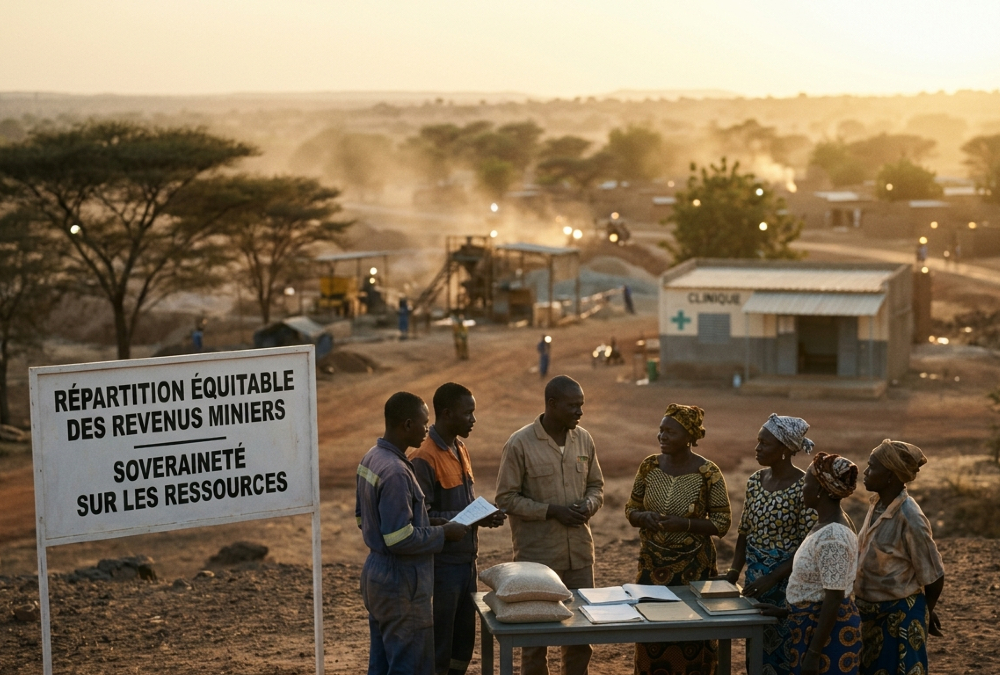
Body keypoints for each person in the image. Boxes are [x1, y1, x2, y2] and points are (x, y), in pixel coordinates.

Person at [495, 375, 605, 675]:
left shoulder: (584, 439)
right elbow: (505, 499)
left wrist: (589, 504)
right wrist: (551, 511)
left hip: (579, 557)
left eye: (581, 405)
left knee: (581, 635)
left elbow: (597, 486)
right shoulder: (520, 443)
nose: (580, 412)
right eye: (573, 406)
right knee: (535, 640)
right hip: (537, 560)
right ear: (552, 404)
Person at [356, 392, 469, 675]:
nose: (426, 430)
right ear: (406, 425)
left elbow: (363, 518)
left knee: (381, 664)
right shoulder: (395, 471)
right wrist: (444, 535)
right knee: (412, 665)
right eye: (423, 423)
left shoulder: (372, 458)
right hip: (401, 583)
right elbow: (399, 538)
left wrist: (432, 525)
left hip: (377, 575)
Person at [625, 403, 732, 675]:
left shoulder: (708, 473)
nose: (661, 436)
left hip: (693, 569)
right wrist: (642, 517)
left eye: (670, 432)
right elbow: (631, 509)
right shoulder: (649, 465)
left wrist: (684, 524)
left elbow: (722, 523)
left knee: (692, 633)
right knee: (651, 630)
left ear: (689, 436)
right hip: (651, 568)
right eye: (660, 431)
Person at [409, 383, 506, 675]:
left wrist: (484, 515)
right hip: (442, 568)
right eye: (468, 414)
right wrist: (472, 518)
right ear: (447, 414)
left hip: (466, 563)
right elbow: (422, 519)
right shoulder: (423, 457)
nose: (473, 420)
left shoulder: (460, 448)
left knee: (463, 645)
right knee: (440, 646)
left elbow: (464, 503)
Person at [725, 414, 819, 675]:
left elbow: (807, 546)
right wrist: (734, 572)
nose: (757, 448)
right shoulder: (755, 481)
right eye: (758, 442)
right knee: (757, 648)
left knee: (786, 651)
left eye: (764, 444)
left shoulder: (804, 487)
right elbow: (744, 531)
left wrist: (773, 578)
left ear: (785, 450)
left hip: (789, 583)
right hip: (755, 580)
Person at [760, 452, 862, 675]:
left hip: (828, 638)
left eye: (806, 482)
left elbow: (834, 598)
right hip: (813, 627)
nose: (801, 488)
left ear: (820, 490)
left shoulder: (833, 535)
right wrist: (786, 612)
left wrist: (814, 654)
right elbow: (819, 588)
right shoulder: (824, 525)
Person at [855, 440, 945, 675]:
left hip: (898, 619)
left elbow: (934, 576)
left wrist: (925, 612)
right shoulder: (877, 505)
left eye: (871, 467)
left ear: (890, 477)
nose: (865, 472)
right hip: (871, 617)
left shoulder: (910, 517)